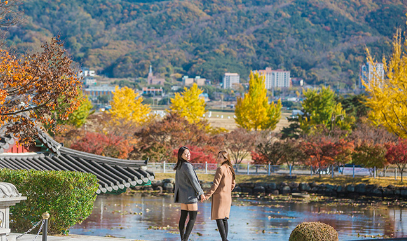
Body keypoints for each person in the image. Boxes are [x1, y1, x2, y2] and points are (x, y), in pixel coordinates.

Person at [174, 146, 205, 241]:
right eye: (185, 154)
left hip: (183, 195)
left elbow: (177, 182)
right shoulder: (187, 165)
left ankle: (182, 238)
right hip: (190, 195)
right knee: (192, 218)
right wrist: (201, 193)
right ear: (180, 155)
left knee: (183, 217)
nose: (188, 155)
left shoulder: (179, 166)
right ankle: (185, 239)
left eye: (189, 153)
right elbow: (194, 181)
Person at [204, 151, 236, 241]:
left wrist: (207, 195)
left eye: (221, 157)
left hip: (220, 197)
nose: (218, 158)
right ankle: (225, 239)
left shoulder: (220, 169)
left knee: (219, 218)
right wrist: (227, 190)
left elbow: (215, 185)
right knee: (224, 218)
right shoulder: (230, 169)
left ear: (226, 158)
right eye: (218, 156)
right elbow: (233, 184)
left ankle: (224, 239)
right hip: (227, 197)